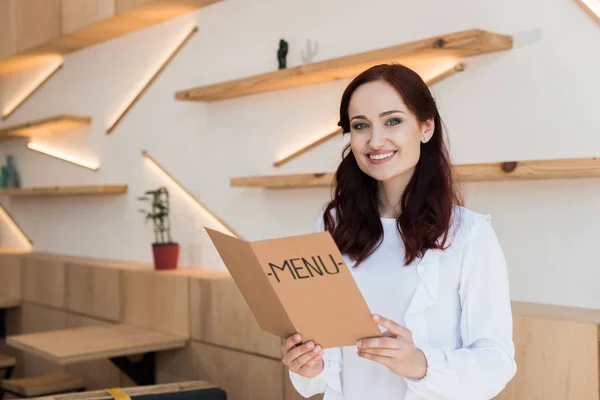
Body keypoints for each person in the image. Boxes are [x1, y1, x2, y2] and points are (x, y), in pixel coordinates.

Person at [281, 64, 517, 400]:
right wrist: (308, 364)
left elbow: (497, 362)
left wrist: (420, 364)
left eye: (393, 121)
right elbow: (327, 364)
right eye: (360, 125)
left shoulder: (470, 234)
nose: (375, 140)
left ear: (426, 127)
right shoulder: (332, 226)